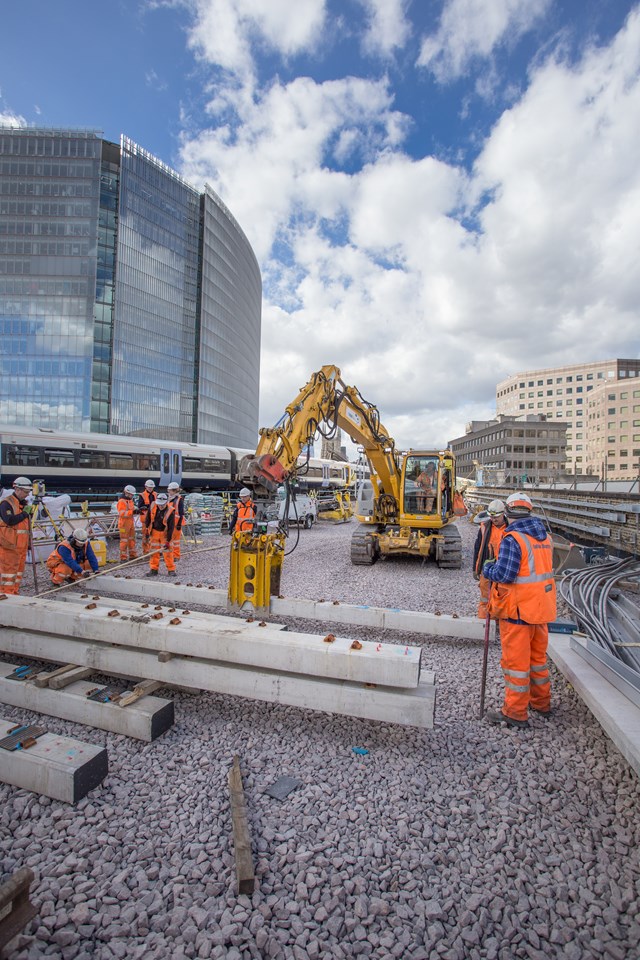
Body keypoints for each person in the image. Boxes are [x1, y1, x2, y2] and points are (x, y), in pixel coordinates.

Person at [482, 492, 557, 729]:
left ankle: (515, 712)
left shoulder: (514, 538)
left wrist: (488, 570)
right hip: (541, 609)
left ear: (509, 512)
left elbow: (506, 574)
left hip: (518, 611)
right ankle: (541, 704)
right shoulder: (545, 538)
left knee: (516, 664)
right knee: (537, 661)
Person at [472, 500, 507, 619]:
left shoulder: (510, 528)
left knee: (501, 596)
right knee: (485, 596)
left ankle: (498, 621)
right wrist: (475, 568)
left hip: (502, 568)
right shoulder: (484, 527)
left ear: (503, 514)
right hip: (486, 568)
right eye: (491, 516)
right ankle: (483, 621)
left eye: (496, 517)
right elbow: (478, 547)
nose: (494, 519)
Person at [0, 476, 34, 595]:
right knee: (8, 572)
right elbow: (9, 520)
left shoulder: (22, 504)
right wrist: (25, 513)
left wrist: (28, 543)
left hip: (21, 546)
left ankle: (14, 592)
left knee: (18, 572)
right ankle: (5, 594)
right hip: (9, 545)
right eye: (25, 492)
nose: (27, 495)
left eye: (28, 492)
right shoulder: (6, 503)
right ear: (17, 489)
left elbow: (25, 528)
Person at [143, 493, 176, 577]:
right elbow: (148, 519)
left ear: (166, 503)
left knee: (167, 552)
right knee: (154, 552)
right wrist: (147, 530)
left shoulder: (170, 511)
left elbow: (171, 527)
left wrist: (168, 540)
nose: (160, 506)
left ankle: (171, 570)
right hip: (154, 532)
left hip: (164, 533)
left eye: (162, 505)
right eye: (159, 505)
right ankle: (154, 569)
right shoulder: (153, 506)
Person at [116, 485, 138, 562]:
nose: (132, 496)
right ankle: (123, 557)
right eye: (131, 494)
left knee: (132, 539)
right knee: (124, 541)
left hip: (130, 523)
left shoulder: (129, 500)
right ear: (126, 493)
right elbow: (122, 513)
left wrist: (137, 510)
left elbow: (130, 510)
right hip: (123, 524)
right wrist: (133, 512)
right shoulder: (122, 501)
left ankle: (132, 555)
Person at [138, 480, 157, 555]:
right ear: (146, 487)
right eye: (149, 487)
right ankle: (146, 552)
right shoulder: (142, 495)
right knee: (145, 536)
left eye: (151, 487)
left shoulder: (155, 494)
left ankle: (153, 550)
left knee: (154, 535)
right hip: (145, 519)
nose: (150, 488)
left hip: (154, 518)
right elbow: (140, 506)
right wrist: (148, 507)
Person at [167, 482, 185, 560]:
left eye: (170, 490)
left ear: (174, 491)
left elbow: (181, 513)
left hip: (176, 522)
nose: (168, 492)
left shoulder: (179, 500)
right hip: (170, 523)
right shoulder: (169, 499)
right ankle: (170, 554)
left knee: (176, 541)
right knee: (170, 539)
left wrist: (179, 524)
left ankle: (176, 556)